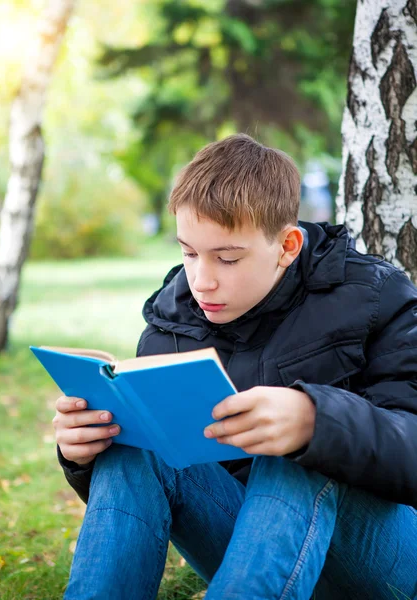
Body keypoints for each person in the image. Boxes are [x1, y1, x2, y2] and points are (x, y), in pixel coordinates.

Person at [53, 134, 417, 599]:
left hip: (381, 561)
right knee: (138, 445)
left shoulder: (375, 296)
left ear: (287, 245)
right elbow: (151, 496)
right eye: (188, 252)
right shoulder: (171, 325)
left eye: (227, 258)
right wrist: (83, 452)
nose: (201, 280)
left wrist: (316, 420)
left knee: (300, 452)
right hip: (249, 554)